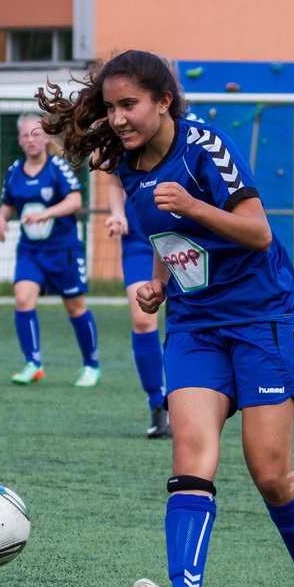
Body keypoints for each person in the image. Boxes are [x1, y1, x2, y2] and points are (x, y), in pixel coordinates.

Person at [37, 51, 294, 587]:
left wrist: (196, 205)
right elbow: (163, 232)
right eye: (111, 107)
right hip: (197, 325)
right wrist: (157, 282)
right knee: (191, 456)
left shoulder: (208, 148)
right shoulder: (126, 165)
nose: (119, 118)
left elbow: (258, 232)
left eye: (130, 106)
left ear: (163, 103)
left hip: (265, 321)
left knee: (270, 474)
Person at [0, 112, 100, 388]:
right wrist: (1, 220)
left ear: (45, 138)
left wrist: (47, 213)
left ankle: (91, 365)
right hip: (30, 251)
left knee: (75, 307)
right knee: (22, 298)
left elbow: (75, 200)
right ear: (19, 139)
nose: (30, 139)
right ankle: (33, 363)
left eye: (35, 134)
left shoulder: (57, 167)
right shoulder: (14, 171)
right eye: (25, 135)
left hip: (62, 250)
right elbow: (8, 203)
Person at [102, 171, 170, 438]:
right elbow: (114, 179)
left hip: (183, 234)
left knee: (186, 320)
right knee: (142, 319)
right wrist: (117, 213)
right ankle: (157, 403)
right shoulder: (121, 135)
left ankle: (182, 402)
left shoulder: (192, 132)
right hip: (140, 241)